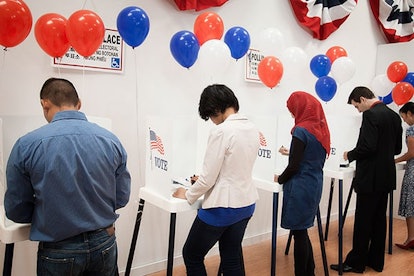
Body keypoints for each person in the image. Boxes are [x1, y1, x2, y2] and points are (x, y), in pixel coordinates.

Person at [4, 78, 131, 276]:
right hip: (104, 241)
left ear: (44, 103)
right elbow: (121, 197)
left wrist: (47, 214)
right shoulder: (111, 140)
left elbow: (16, 209)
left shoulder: (26, 145)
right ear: (79, 104)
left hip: (58, 247)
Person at [172, 84, 260, 276]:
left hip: (223, 208)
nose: (212, 121)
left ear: (217, 109)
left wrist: (187, 194)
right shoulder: (252, 128)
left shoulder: (222, 131)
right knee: (231, 257)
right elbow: (236, 165)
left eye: (211, 115)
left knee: (191, 254)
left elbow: (208, 179)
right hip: (246, 204)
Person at [330, 86, 402, 273]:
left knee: (363, 223)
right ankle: (376, 262)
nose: (358, 110)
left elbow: (368, 147)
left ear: (362, 99)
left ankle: (356, 263)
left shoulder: (370, 115)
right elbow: (396, 149)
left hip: (370, 178)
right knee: (379, 221)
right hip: (386, 177)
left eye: (356, 106)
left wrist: (350, 154)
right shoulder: (393, 116)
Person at [274, 91, 331, 276]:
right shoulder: (321, 129)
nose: (292, 114)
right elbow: (310, 156)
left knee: (299, 234)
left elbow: (293, 166)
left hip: (299, 186)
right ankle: (310, 272)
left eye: (292, 109)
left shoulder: (300, 130)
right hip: (315, 184)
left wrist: (279, 178)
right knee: (302, 231)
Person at [394, 102, 414, 250]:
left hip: (413, 171)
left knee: (410, 205)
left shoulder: (411, 130)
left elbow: (412, 153)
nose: (404, 121)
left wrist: (395, 160)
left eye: (404, 117)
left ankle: (411, 239)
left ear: (409, 114)